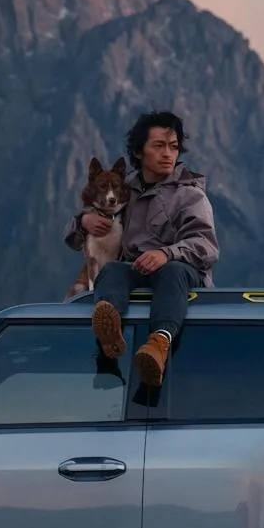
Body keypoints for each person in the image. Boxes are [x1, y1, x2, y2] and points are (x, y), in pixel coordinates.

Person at [72, 110, 218, 387]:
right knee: (112, 270)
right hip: (135, 269)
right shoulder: (124, 189)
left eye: (173, 147)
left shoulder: (189, 194)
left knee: (173, 271)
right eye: (159, 145)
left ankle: (158, 344)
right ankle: (109, 332)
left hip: (183, 275)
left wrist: (166, 253)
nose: (168, 154)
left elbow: (205, 246)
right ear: (138, 152)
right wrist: (83, 221)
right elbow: (76, 235)